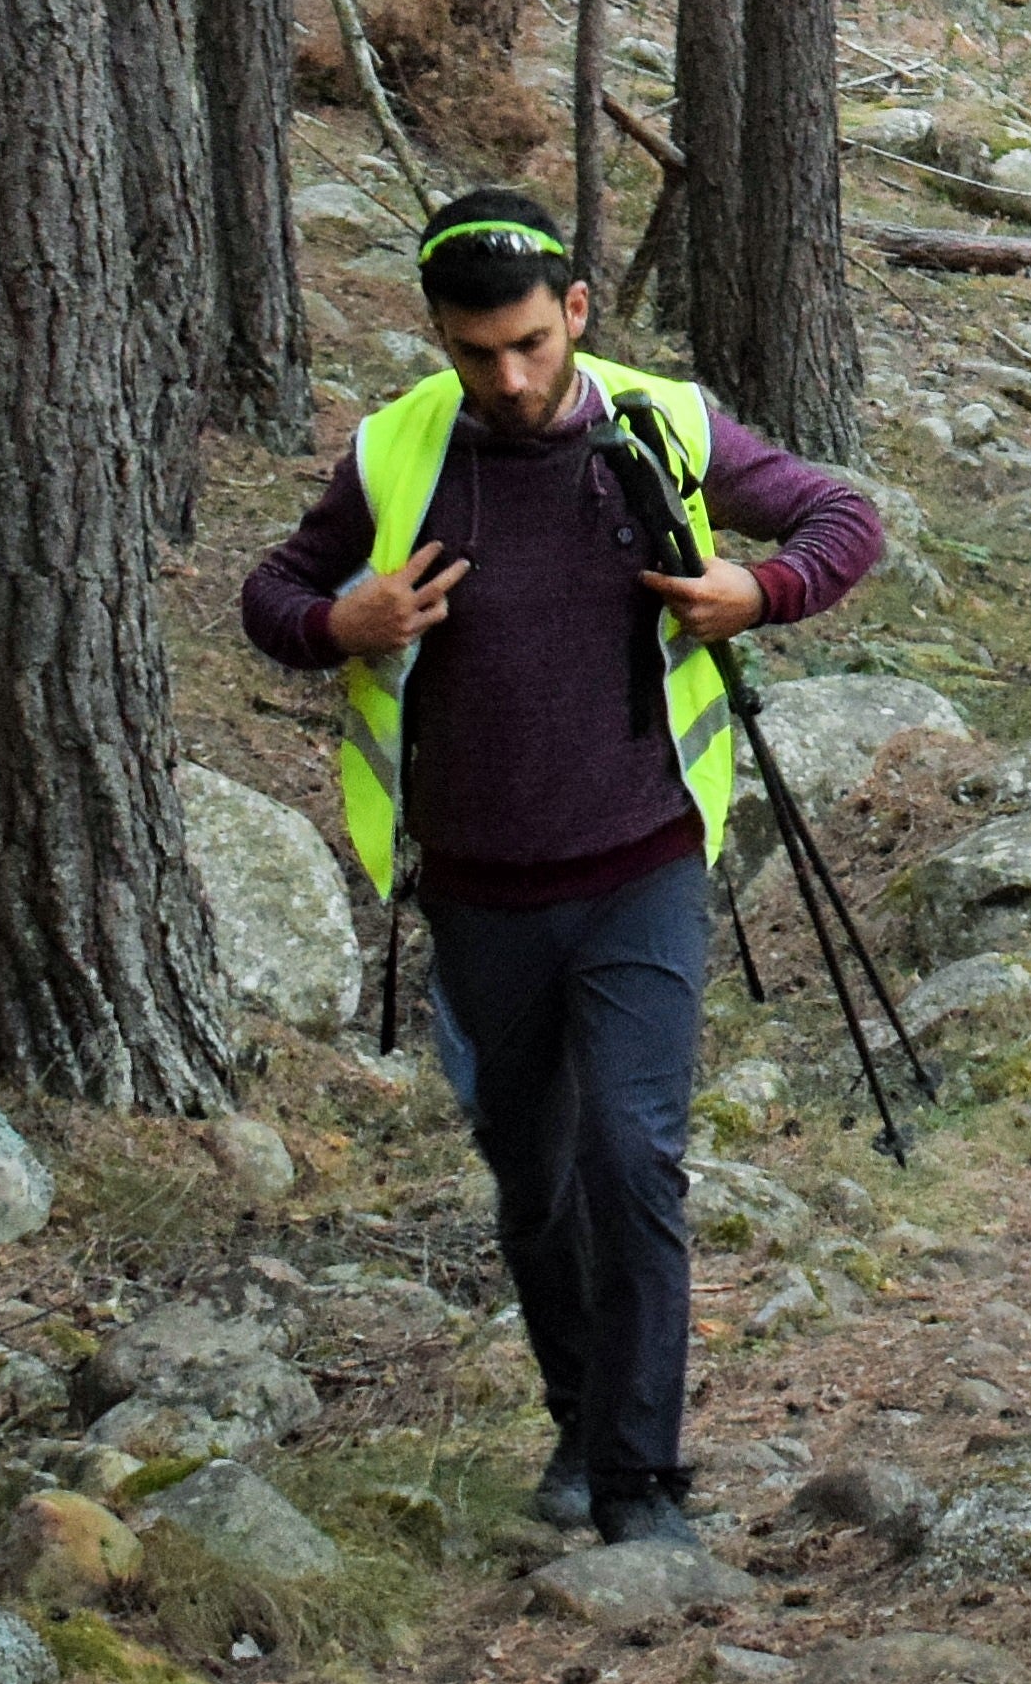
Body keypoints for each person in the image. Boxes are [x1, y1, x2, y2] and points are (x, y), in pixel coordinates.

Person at [245, 192, 886, 1541]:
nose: (513, 377)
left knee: (630, 1157)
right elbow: (271, 596)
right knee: (532, 1182)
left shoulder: (665, 424)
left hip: (643, 858)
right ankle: (582, 1430)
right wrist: (334, 621)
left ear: (578, 311)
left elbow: (842, 515)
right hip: (479, 886)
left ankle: (645, 1481)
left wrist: (757, 593)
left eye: (533, 342)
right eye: (479, 352)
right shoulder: (397, 453)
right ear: (440, 339)